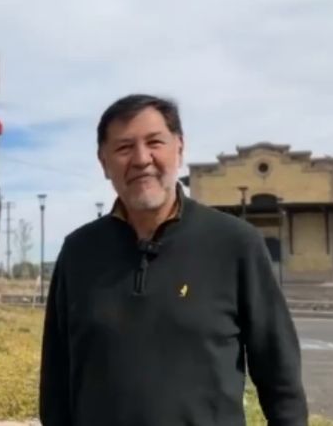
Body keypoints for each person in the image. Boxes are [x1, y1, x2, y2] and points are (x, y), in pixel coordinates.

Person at [38, 94, 309, 426]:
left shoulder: (235, 244)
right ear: (103, 162)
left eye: (155, 142)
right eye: (124, 148)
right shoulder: (78, 253)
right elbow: (55, 384)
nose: (141, 159)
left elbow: (280, 378)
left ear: (179, 147)